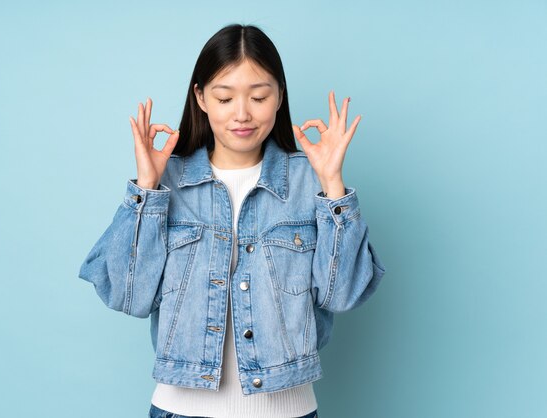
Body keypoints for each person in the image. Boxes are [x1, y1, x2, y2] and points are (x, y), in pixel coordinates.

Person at [78, 23, 386, 418]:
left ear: (279, 96)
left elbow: (344, 295)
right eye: (225, 98)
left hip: (287, 410)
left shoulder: (311, 182)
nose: (242, 114)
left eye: (259, 96)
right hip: (179, 410)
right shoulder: (165, 184)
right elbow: (127, 296)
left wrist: (333, 187)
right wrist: (146, 189)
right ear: (201, 98)